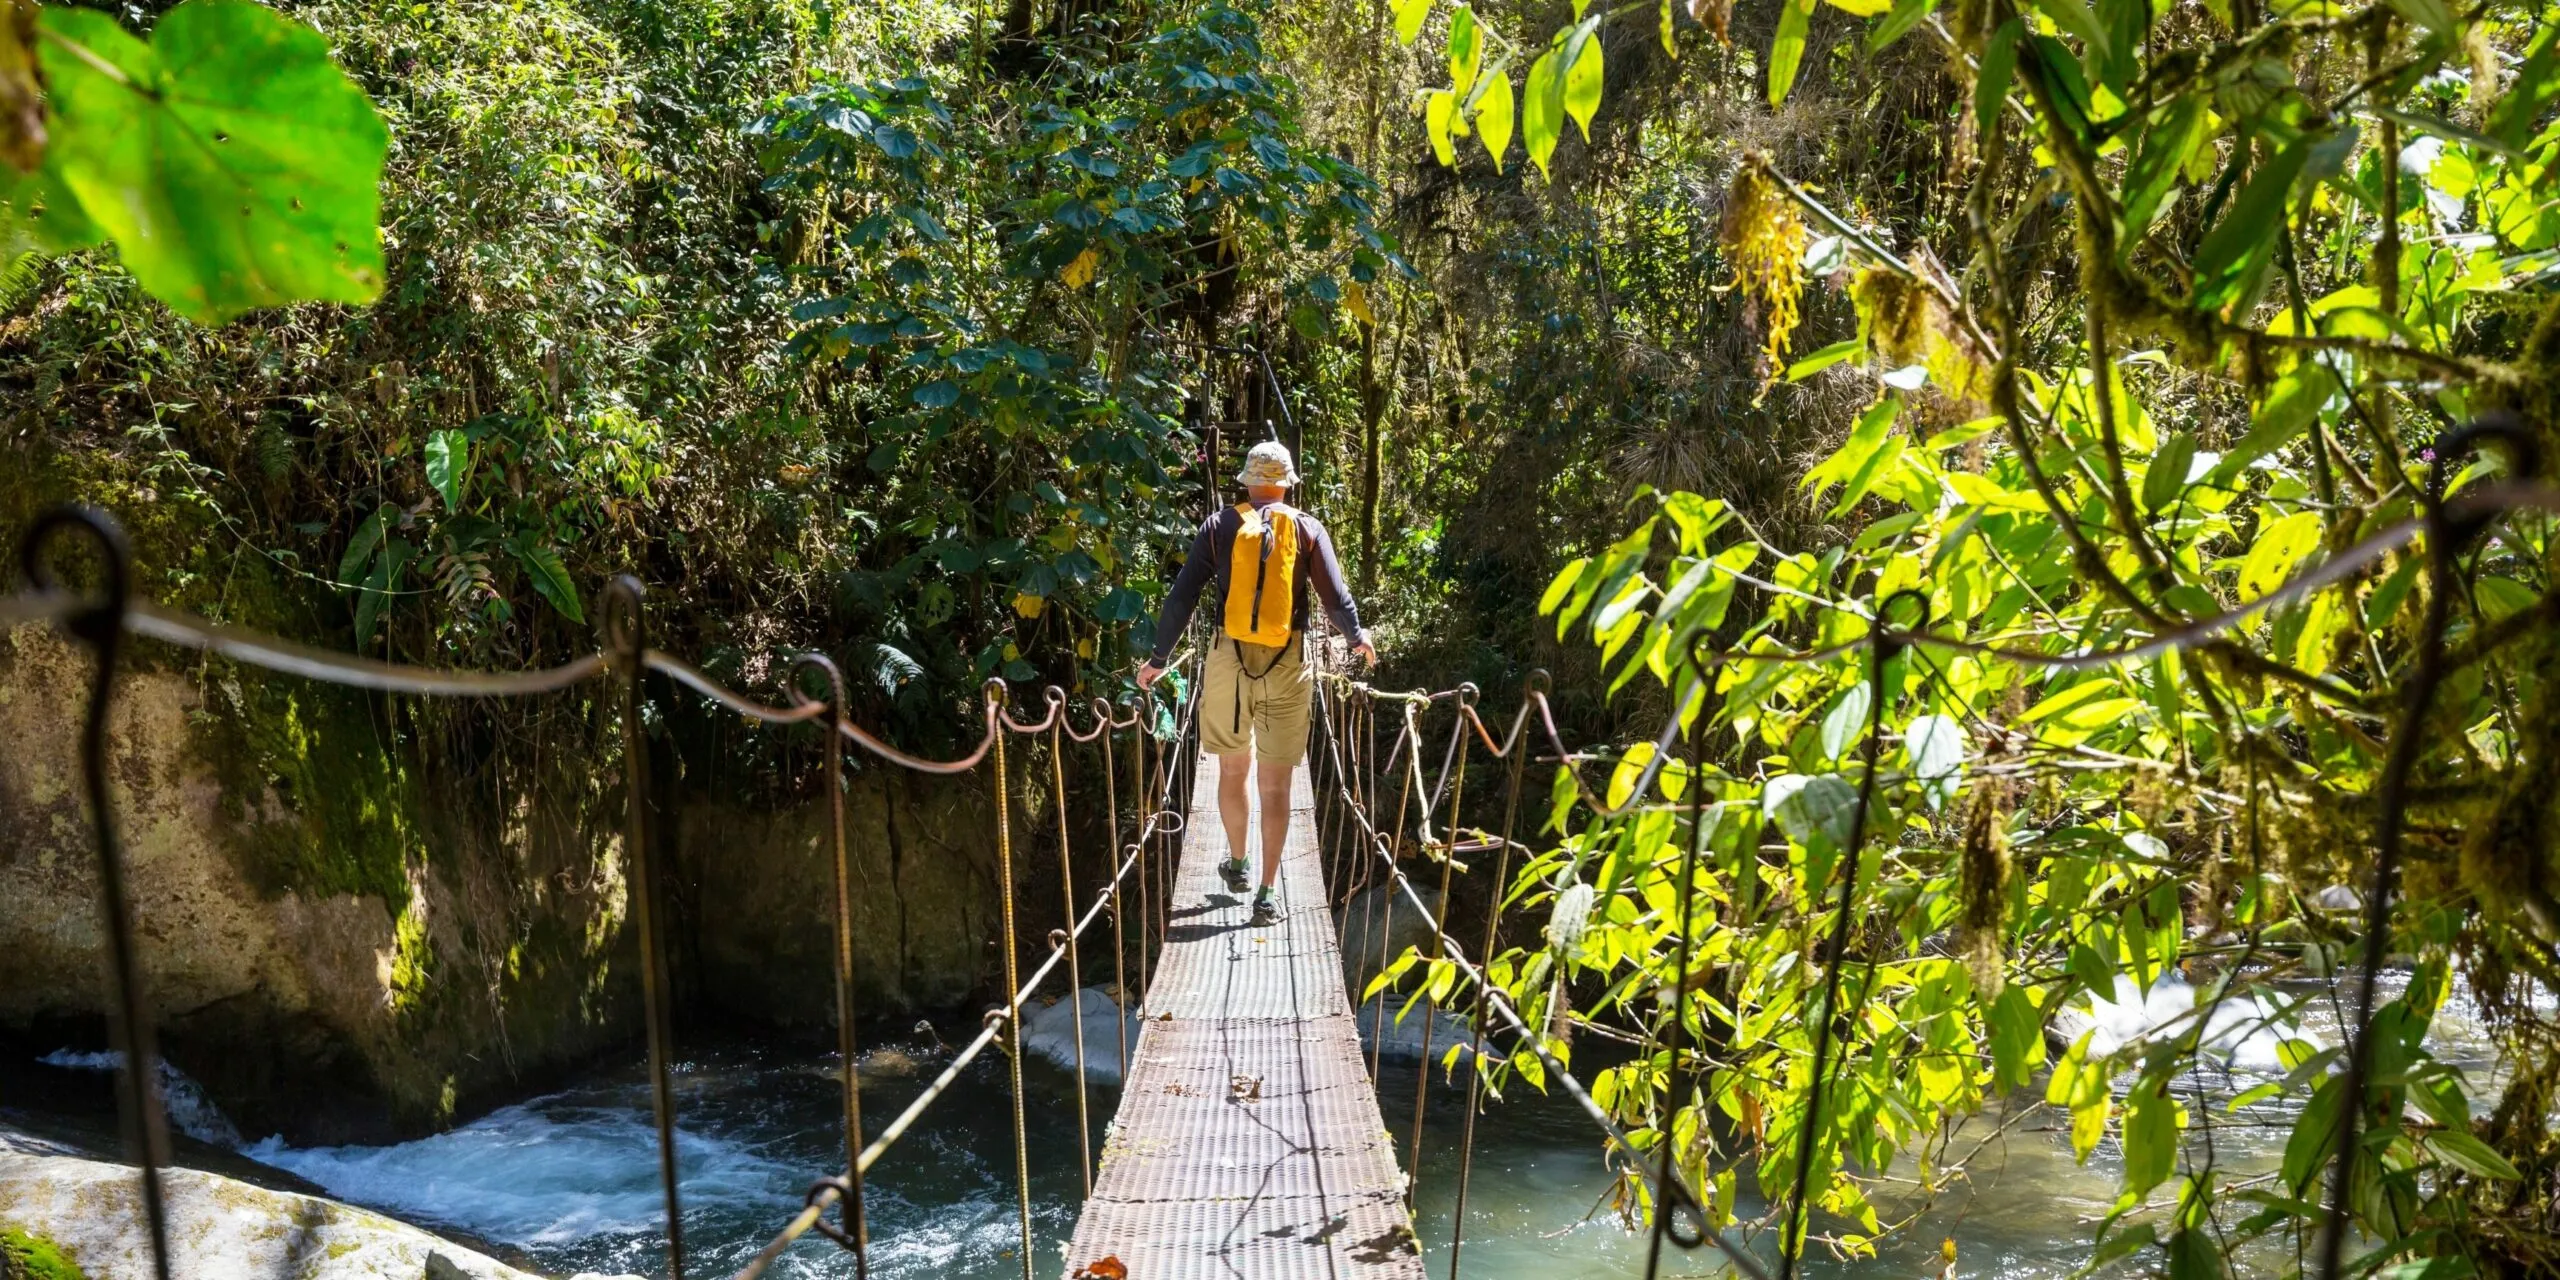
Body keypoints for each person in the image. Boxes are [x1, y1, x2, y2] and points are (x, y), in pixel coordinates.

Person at [1138, 441, 1375, 923]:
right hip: (1288, 659)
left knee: (1231, 770)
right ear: (1287, 484)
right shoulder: (1307, 528)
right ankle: (1267, 893)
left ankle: (1238, 862)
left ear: (1247, 481)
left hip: (1229, 658)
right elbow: (1335, 597)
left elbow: (1182, 596)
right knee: (1276, 783)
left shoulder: (1219, 526)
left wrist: (1159, 658)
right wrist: (1357, 637)